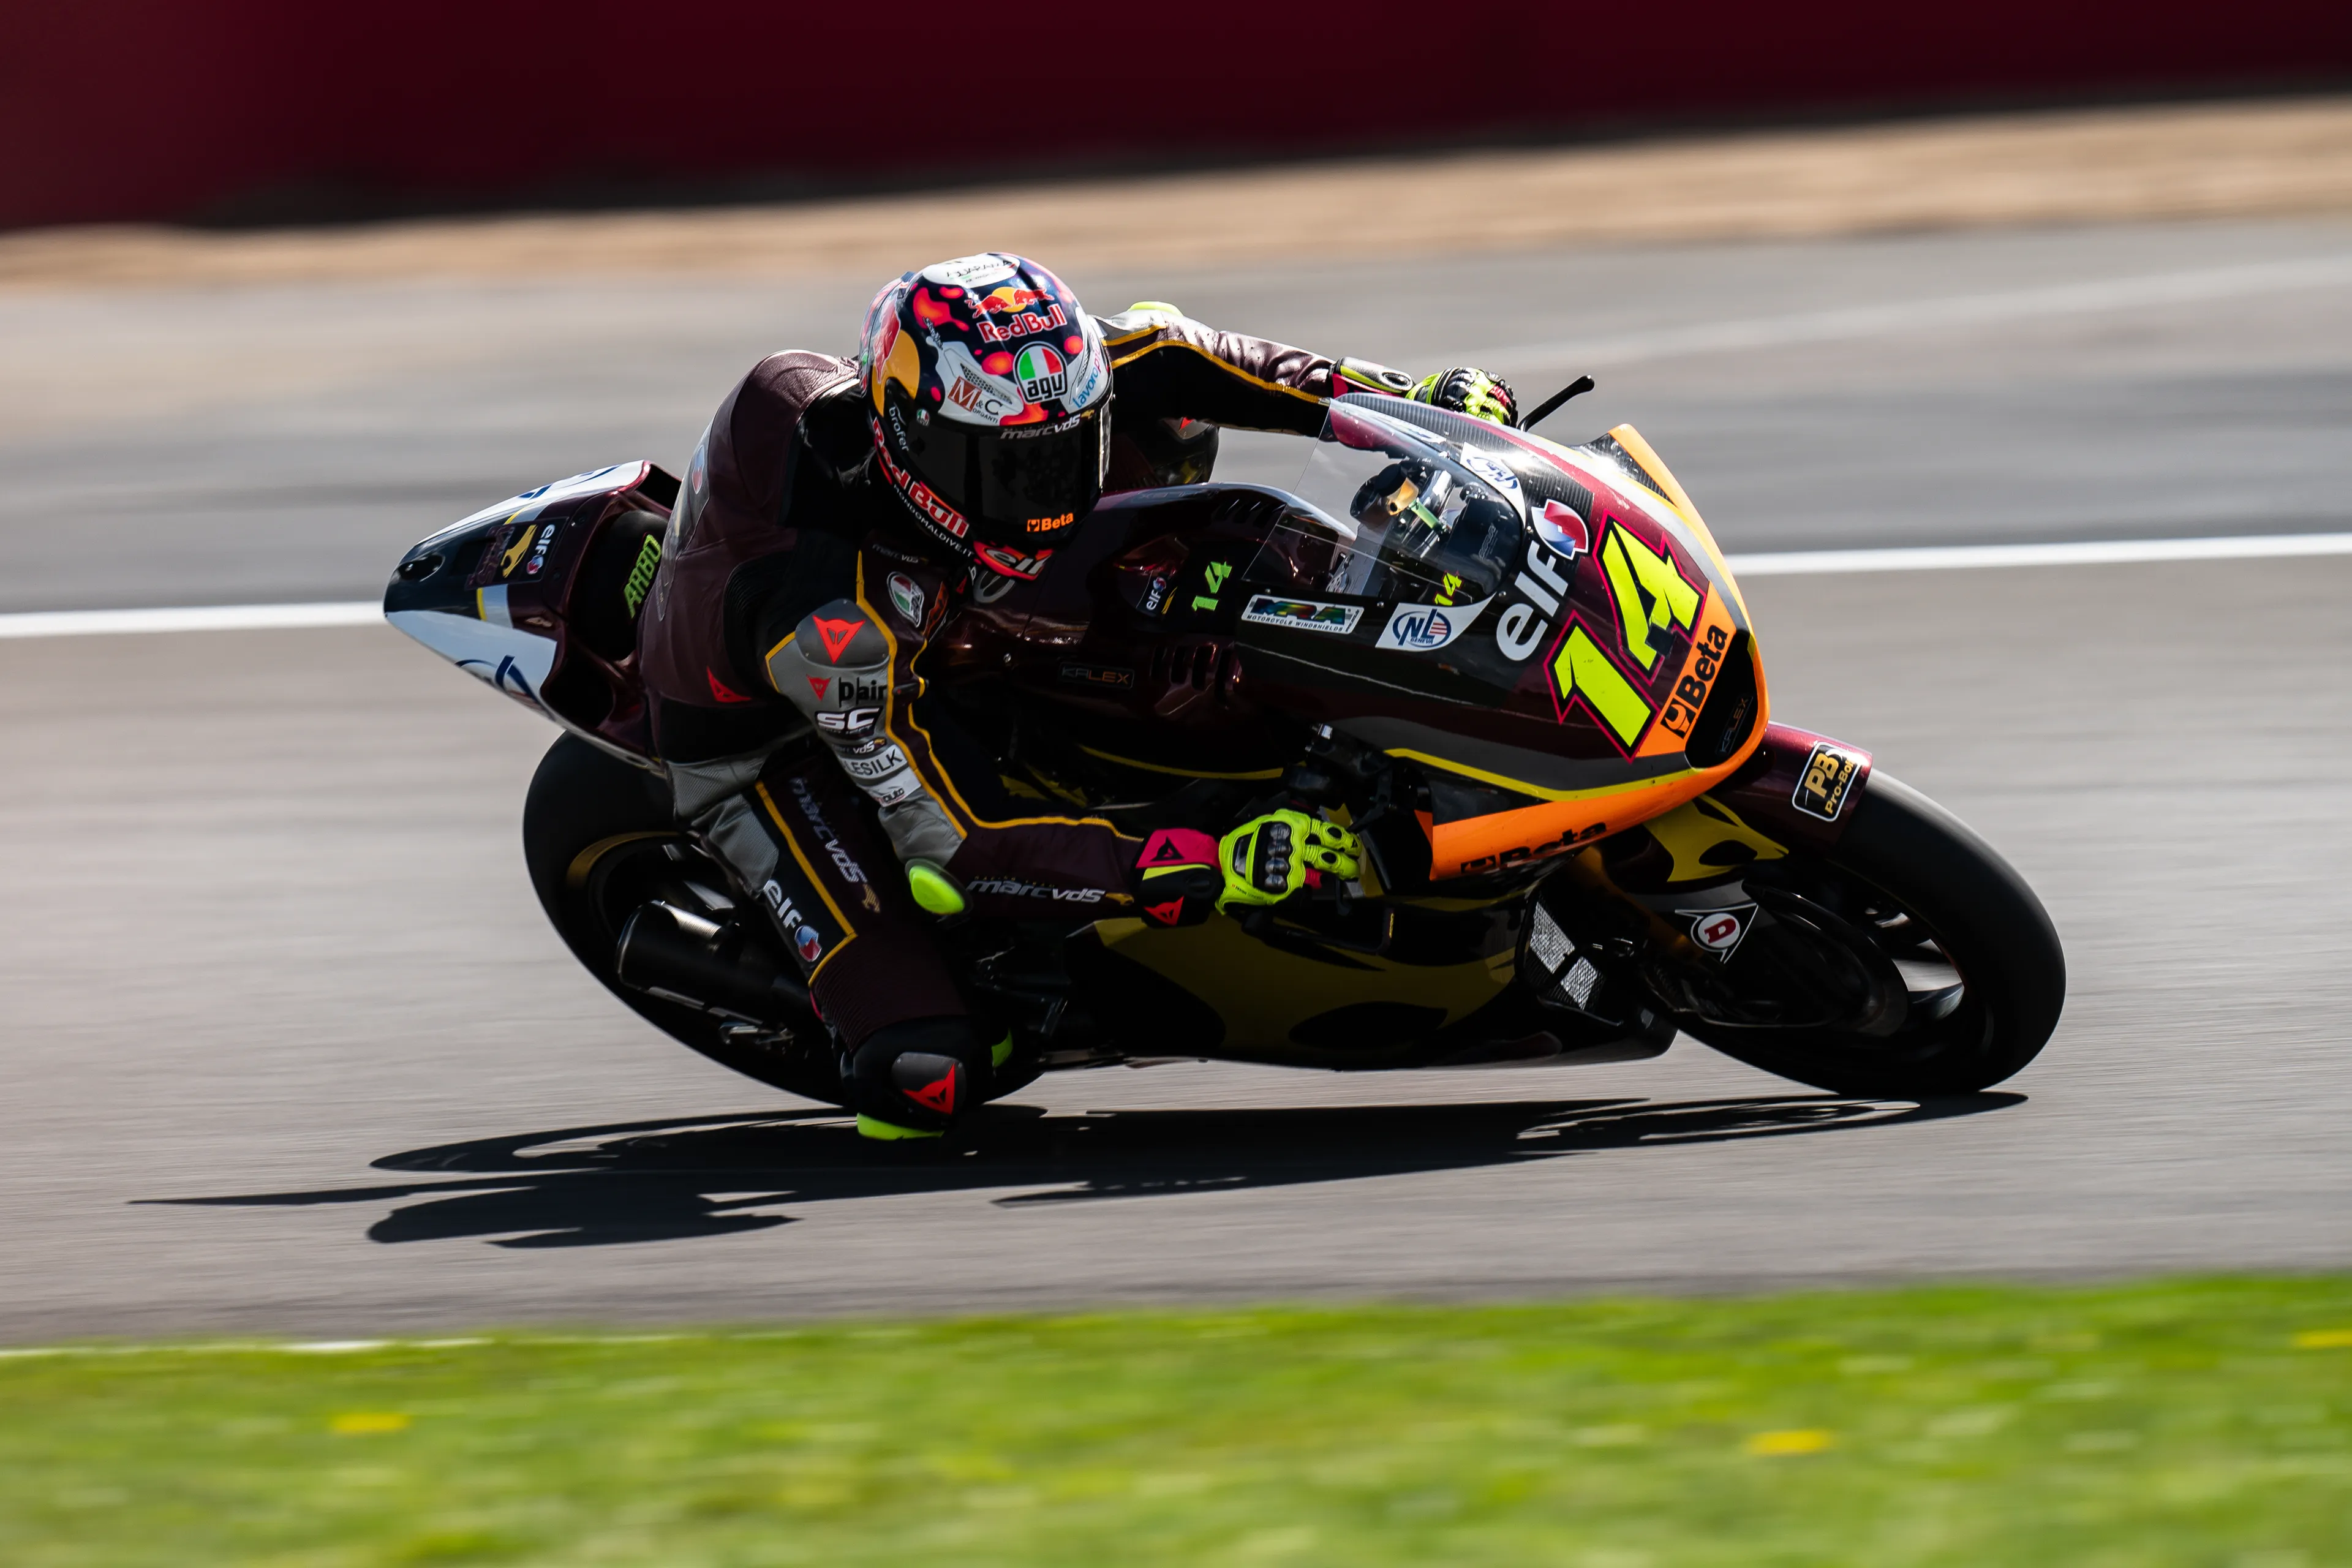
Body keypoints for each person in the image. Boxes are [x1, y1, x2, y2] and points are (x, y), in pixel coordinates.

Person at [636, 253, 1516, 1140]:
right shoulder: (836, 621)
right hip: (770, 743)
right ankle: (843, 989)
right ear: (911, 439)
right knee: (929, 1074)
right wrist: (1198, 858)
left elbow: (1175, 350)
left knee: (1167, 413)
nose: (1058, 493)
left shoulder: (1003, 387)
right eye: (1018, 471)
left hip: (943, 602)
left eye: (1070, 451)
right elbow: (958, 842)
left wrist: (1397, 400)